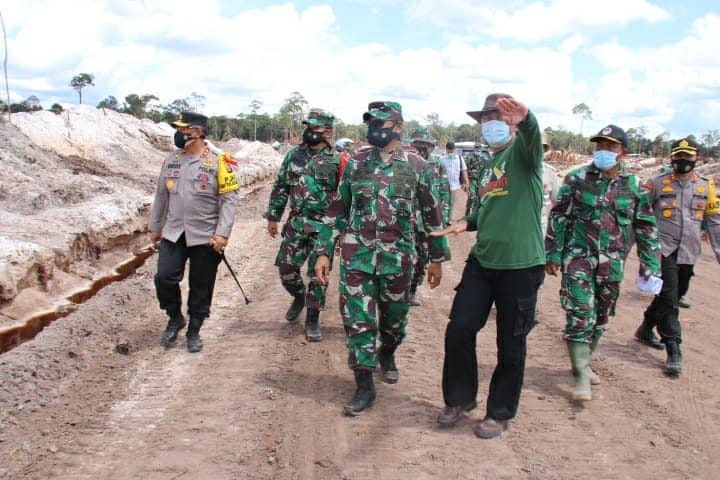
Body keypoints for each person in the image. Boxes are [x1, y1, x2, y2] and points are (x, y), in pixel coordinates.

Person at [314, 101, 449, 415]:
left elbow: (433, 215)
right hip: (357, 257)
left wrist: (437, 259)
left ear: (397, 126)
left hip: (397, 259)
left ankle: (388, 351)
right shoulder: (357, 163)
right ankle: (364, 385)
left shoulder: (417, 166)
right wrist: (323, 251)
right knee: (357, 321)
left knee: (395, 321)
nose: (373, 128)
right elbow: (337, 209)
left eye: (380, 122)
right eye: (370, 122)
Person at [432, 94, 545, 439]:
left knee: (510, 343)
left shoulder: (524, 156)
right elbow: (486, 210)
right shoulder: (485, 165)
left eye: (497, 116)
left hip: (521, 266)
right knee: (460, 328)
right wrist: (465, 223)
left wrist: (528, 120)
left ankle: (499, 412)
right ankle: (459, 400)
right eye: (485, 118)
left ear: (511, 121)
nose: (490, 123)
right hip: (483, 262)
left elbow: (534, 140)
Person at [546, 124, 660, 400]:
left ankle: (582, 363)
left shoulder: (634, 186)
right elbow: (558, 216)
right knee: (580, 311)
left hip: (613, 263)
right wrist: (553, 253)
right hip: (578, 258)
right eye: (599, 146)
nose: (603, 151)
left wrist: (650, 263)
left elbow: (645, 226)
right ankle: (583, 376)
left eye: (610, 147)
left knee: (601, 316)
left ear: (623, 152)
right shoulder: (577, 179)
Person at [149, 112, 240, 352]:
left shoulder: (221, 161)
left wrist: (222, 234)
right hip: (174, 232)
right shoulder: (171, 160)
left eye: (183, 129)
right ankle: (175, 317)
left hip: (206, 235)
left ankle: (194, 329)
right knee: (164, 276)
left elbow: (229, 200)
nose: (179, 134)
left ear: (197, 132)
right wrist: (155, 227)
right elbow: (161, 195)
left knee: (201, 284)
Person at [634, 138, 720, 375]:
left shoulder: (706, 187)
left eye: (688, 157)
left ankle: (645, 328)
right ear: (671, 159)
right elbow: (639, 217)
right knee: (670, 299)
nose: (683, 161)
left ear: (697, 158)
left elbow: (714, 222)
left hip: (689, 252)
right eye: (678, 156)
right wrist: (637, 251)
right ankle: (673, 348)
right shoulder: (657, 184)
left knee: (672, 295)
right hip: (663, 250)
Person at [263, 109, 340, 341]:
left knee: (318, 274)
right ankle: (298, 296)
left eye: (315, 128)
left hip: (324, 227)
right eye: (308, 126)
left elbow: (345, 197)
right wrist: (273, 216)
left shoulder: (338, 160)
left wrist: (341, 230)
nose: (310, 131)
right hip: (297, 223)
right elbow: (281, 186)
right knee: (286, 268)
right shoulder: (294, 155)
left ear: (328, 131)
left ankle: (313, 319)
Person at [408, 127, 452, 306]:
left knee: (423, 256)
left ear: (432, 147)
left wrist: (445, 219)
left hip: (428, 222)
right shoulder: (406, 162)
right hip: (407, 219)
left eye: (425, 145)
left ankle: (412, 289)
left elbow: (444, 193)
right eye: (418, 144)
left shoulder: (437, 166)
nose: (421, 148)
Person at [440, 141, 469, 220]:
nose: (451, 153)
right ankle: (444, 219)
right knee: (444, 203)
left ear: (454, 149)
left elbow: (464, 171)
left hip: (455, 185)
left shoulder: (459, 158)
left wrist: (467, 183)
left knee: (452, 203)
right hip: (444, 185)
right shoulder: (441, 159)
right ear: (446, 149)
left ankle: (449, 219)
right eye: (449, 152)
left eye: (452, 151)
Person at [464, 144, 490, 217]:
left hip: (481, 181)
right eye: (476, 148)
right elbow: (465, 169)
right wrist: (465, 181)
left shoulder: (484, 159)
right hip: (472, 180)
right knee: (471, 196)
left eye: (479, 148)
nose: (478, 150)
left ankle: (475, 214)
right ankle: (467, 211)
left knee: (478, 198)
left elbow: (487, 169)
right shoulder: (469, 157)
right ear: (474, 148)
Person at [541, 134, 560, 235]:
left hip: (541, 224)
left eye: (541, 148)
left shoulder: (550, 173)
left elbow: (557, 200)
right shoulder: (513, 171)